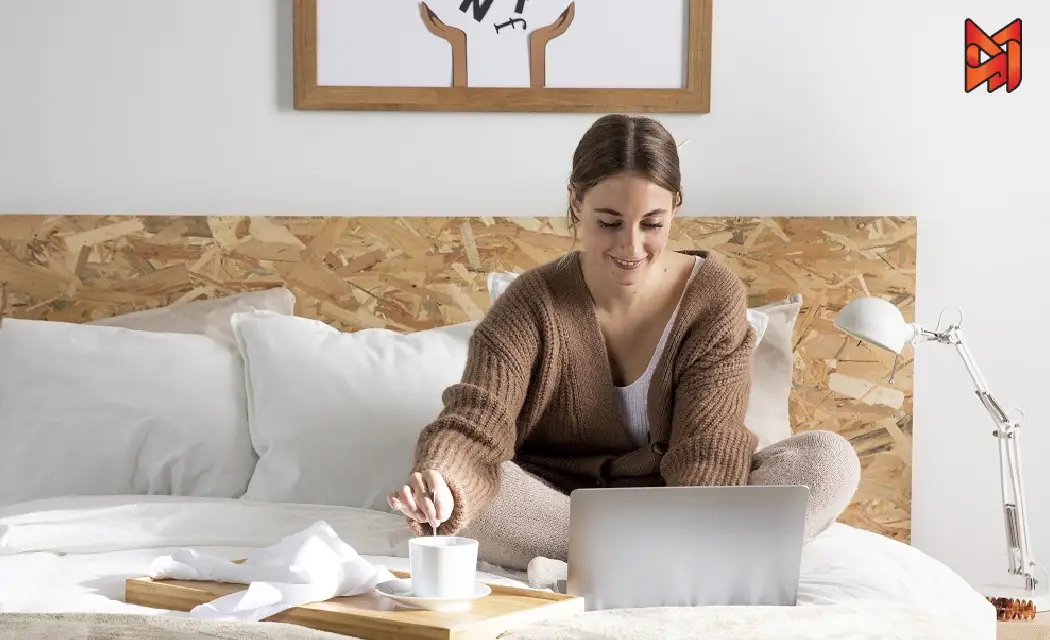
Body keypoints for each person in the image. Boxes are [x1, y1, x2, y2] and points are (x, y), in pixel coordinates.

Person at [388, 114, 861, 583]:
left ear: (676, 205)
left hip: (686, 503)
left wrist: (697, 515)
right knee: (481, 499)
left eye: (652, 223)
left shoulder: (714, 296)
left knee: (830, 460)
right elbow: (476, 421)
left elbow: (709, 444)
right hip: (557, 502)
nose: (631, 246)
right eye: (609, 222)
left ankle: (621, 555)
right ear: (575, 200)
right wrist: (444, 479)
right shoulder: (532, 302)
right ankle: (686, 557)